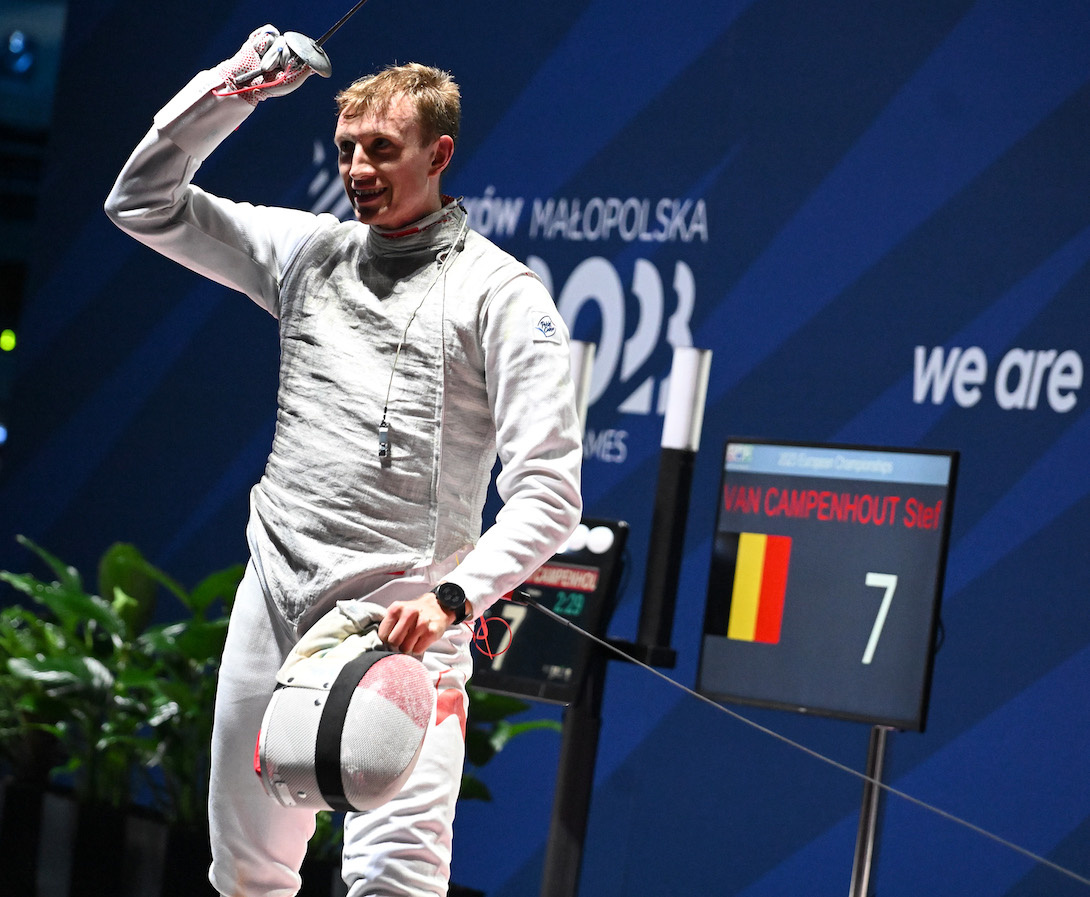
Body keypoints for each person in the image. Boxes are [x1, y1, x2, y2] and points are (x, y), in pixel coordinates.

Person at [105, 25, 583, 897]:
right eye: (347, 148)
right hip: (276, 598)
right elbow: (142, 202)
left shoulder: (501, 296)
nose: (359, 168)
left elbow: (549, 493)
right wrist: (235, 88)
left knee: (395, 885)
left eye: (383, 149)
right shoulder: (307, 253)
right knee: (247, 875)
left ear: (439, 154)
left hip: (403, 621)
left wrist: (452, 599)